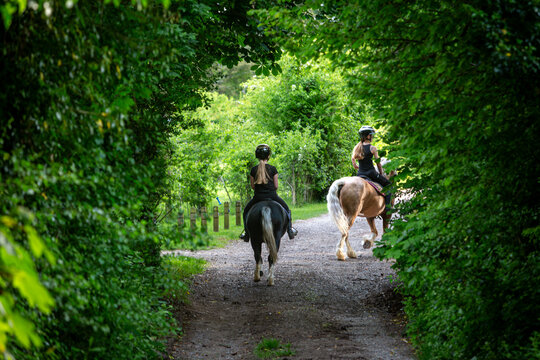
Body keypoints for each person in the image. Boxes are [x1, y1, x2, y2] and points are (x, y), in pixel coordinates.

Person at [239, 144, 298, 242]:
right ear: (268, 156)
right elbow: (276, 186)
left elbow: (253, 186)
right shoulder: (273, 169)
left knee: (246, 211)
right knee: (287, 210)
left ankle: (246, 233)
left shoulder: (254, 170)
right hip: (272, 197)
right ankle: (290, 230)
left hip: (258, 197)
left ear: (257, 156)